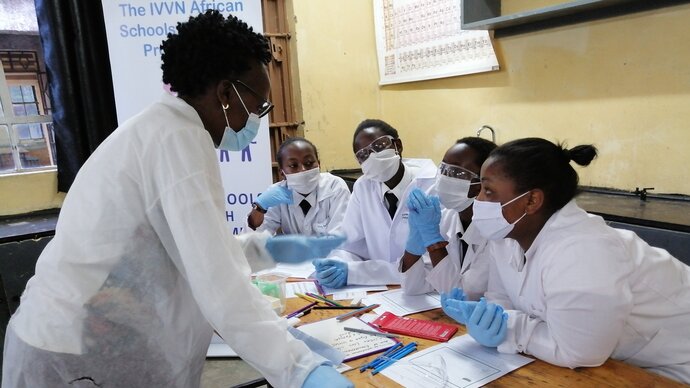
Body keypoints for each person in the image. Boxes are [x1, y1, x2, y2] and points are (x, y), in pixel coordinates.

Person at [2, 11, 352, 388]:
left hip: (71, 338)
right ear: (224, 92)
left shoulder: (162, 128)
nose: (255, 118)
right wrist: (300, 368)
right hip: (72, 350)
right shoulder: (179, 139)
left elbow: (185, 249)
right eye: (258, 105)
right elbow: (220, 285)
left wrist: (266, 250)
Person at [443, 137, 690, 384]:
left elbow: (580, 352)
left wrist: (507, 329)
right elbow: (502, 299)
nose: (479, 202)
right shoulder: (506, 235)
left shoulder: (584, 250)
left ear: (531, 200)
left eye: (488, 191)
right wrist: (490, 317)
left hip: (673, 364)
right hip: (614, 361)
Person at [313, 119, 437, 288]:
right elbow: (350, 246)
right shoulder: (363, 187)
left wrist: (355, 272)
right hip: (380, 292)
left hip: (426, 292)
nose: (372, 156)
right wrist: (336, 263)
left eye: (379, 146)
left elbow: (431, 264)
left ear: (397, 146)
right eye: (363, 155)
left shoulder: (431, 186)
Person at [401, 137, 497, 299]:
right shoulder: (444, 218)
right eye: (444, 169)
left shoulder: (496, 232)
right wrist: (414, 243)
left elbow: (461, 295)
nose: (445, 177)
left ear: (481, 184)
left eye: (455, 172)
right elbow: (413, 287)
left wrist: (432, 241)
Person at [247, 137, 350, 236]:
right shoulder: (276, 195)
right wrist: (260, 207)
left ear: (319, 164)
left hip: (333, 254)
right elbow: (252, 242)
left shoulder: (335, 187)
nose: (303, 169)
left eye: (309, 163)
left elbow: (341, 240)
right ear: (282, 172)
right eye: (293, 165)